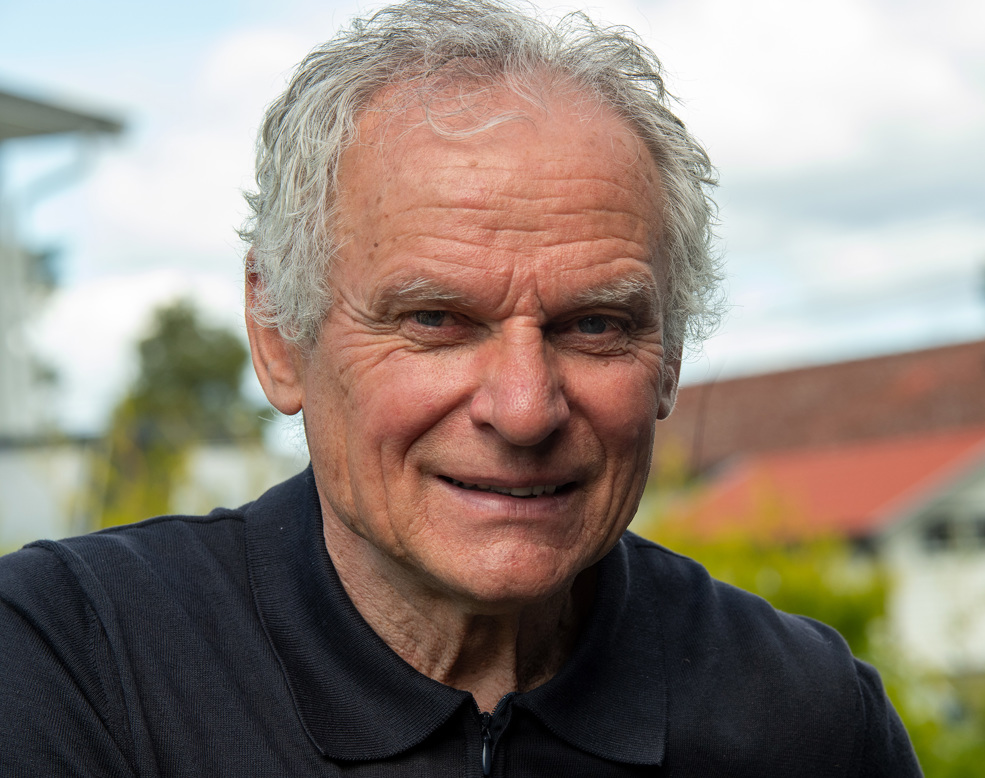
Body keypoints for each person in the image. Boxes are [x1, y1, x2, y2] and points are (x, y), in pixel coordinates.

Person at [0, 1, 921, 774]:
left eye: (594, 325)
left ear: (670, 356)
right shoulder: (71, 663)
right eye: (435, 321)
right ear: (280, 336)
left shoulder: (805, 717)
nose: (524, 409)